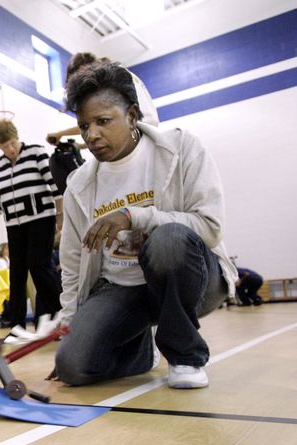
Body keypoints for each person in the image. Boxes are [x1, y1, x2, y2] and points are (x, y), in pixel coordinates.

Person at [53, 61, 236, 390]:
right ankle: (141, 352)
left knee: (168, 241)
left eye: (103, 121)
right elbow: (71, 264)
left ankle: (184, 356)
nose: (92, 135)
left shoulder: (180, 149)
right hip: (122, 290)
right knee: (72, 366)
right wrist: (71, 328)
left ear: (133, 116)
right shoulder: (78, 185)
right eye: (84, 126)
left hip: (190, 279)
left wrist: (133, 216)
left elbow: (209, 226)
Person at [0, 118, 62, 329]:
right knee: (16, 273)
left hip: (41, 219)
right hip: (14, 224)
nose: (9, 149)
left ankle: (62, 313)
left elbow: (54, 188)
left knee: (39, 265)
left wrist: (60, 217)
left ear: (16, 137)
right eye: (3, 146)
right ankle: (16, 325)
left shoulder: (36, 153)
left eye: (11, 143)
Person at [46, 51, 159, 147]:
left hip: (139, 134)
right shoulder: (116, 75)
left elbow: (97, 122)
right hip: (145, 134)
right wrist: (80, 146)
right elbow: (103, 128)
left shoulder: (110, 81)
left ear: (83, 68)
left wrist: (60, 133)